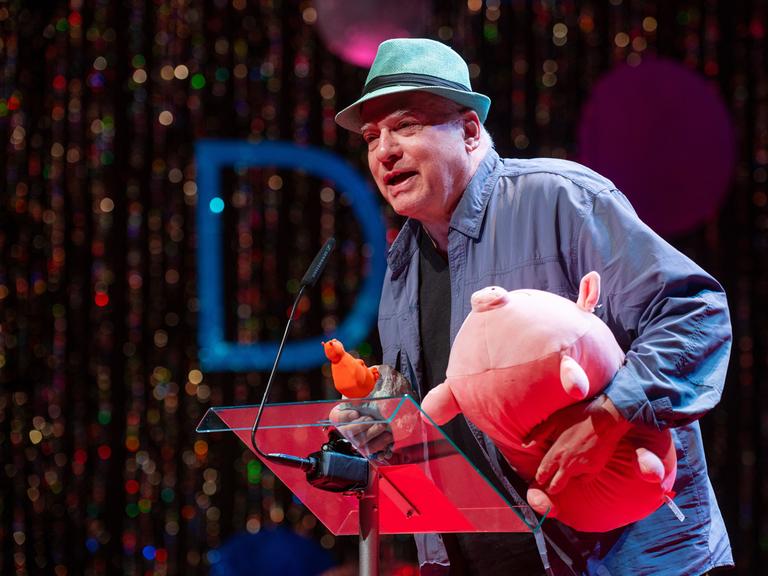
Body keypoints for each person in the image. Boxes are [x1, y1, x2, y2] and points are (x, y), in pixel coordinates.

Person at [333, 38, 734, 576]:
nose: (384, 150)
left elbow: (694, 311)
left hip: (632, 559)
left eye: (405, 125)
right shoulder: (402, 262)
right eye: (372, 136)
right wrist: (378, 418)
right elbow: (445, 402)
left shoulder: (559, 198)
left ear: (470, 130)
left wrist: (609, 417)